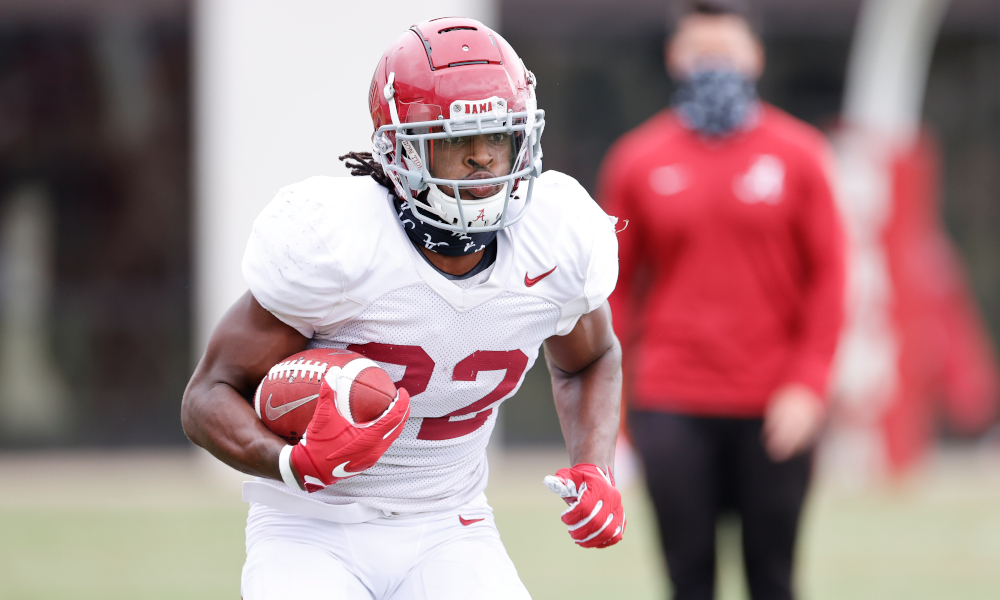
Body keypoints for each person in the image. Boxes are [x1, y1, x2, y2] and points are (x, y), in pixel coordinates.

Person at [181, 17, 624, 600]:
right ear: (398, 150)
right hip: (310, 527)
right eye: (456, 141)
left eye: (498, 137)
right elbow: (206, 396)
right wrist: (290, 463)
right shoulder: (337, 244)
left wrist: (594, 465)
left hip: (449, 524)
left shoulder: (557, 238)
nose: (484, 162)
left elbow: (590, 358)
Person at [599, 2, 844, 600]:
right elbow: (612, 290)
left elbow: (831, 277)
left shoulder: (801, 155)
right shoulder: (637, 160)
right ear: (673, 59)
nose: (714, 66)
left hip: (774, 409)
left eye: (727, 53)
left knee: (773, 578)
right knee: (688, 580)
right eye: (699, 53)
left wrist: (808, 383)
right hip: (671, 403)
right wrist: (618, 404)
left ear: (755, 57)